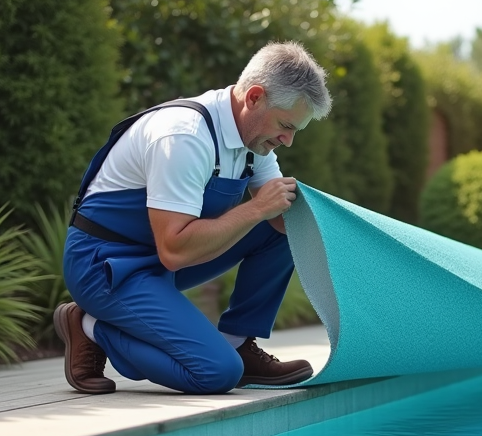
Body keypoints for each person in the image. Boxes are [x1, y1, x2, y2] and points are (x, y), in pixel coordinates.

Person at [52, 41, 331, 395]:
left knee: (284, 229)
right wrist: (258, 208)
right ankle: (89, 324)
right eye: (285, 126)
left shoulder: (254, 139)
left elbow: (281, 220)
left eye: (295, 131)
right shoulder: (184, 136)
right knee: (216, 373)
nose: (288, 141)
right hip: (105, 267)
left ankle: (235, 343)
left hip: (159, 260)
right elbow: (175, 250)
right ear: (255, 97)